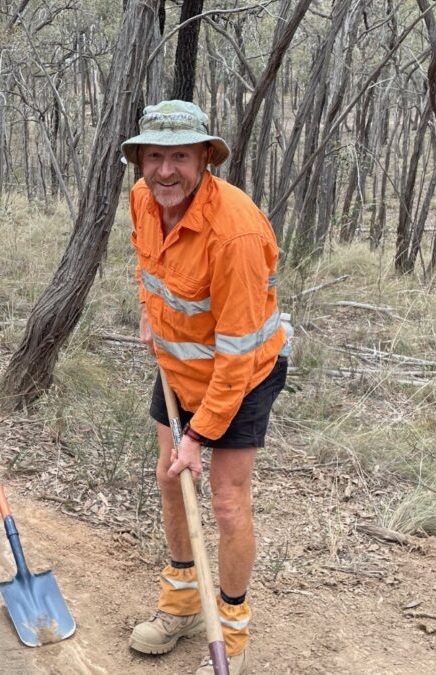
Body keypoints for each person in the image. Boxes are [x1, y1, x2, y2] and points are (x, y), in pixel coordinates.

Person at [121, 100, 290, 675]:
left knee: (224, 501)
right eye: (155, 157)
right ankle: (182, 605)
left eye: (181, 158)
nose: (166, 170)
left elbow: (238, 354)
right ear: (141, 159)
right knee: (171, 483)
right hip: (179, 363)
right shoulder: (144, 199)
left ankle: (232, 633)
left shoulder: (234, 233)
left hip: (241, 377)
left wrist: (197, 436)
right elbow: (151, 267)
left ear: (205, 160)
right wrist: (150, 312)